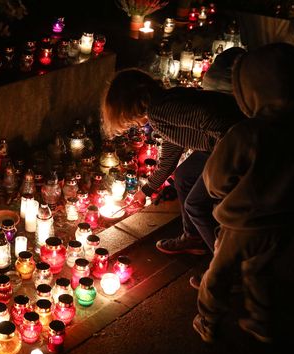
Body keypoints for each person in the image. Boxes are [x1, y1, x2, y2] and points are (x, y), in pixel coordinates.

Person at [192, 43, 294, 344]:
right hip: (284, 223)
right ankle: (259, 319)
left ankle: (207, 319)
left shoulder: (247, 133)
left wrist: (226, 195)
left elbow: (215, 180)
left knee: (218, 274)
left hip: (243, 225)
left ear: (250, 89)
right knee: (258, 270)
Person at [102, 69, 244, 254]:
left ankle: (225, 264)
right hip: (219, 145)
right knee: (184, 175)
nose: (130, 124)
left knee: (196, 205)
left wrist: (221, 162)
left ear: (128, 106)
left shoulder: (160, 110)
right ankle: (193, 237)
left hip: (235, 144)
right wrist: (146, 190)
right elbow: (170, 156)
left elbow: (212, 118)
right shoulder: (162, 110)